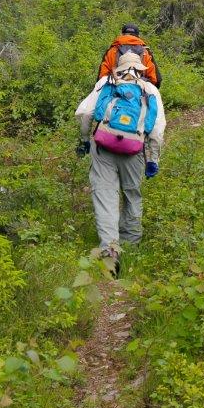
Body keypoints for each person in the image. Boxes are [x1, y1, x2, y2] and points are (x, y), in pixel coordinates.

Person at [78, 51, 166, 276]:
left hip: (104, 146)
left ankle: (110, 250)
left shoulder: (106, 83)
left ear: (118, 66)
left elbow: (86, 113)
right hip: (134, 150)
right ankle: (130, 247)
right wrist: (153, 160)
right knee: (132, 195)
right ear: (142, 69)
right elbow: (157, 131)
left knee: (105, 196)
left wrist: (84, 140)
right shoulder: (150, 90)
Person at [97, 23, 162, 88]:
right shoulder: (145, 52)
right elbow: (155, 79)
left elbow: (102, 75)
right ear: (138, 36)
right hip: (139, 86)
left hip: (115, 85)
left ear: (122, 34)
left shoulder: (112, 51)